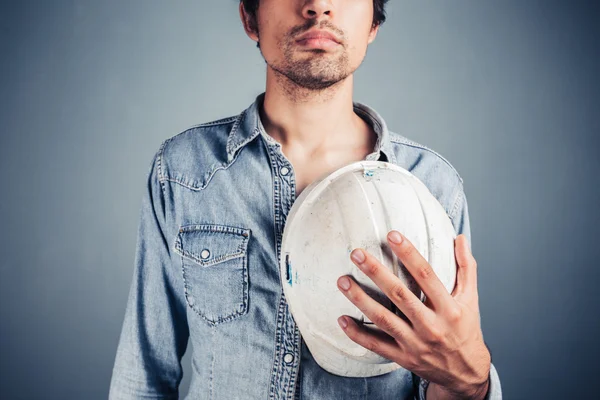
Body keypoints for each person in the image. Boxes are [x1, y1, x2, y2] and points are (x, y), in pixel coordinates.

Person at [108, 1, 502, 399]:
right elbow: (142, 377)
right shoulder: (182, 171)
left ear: (373, 23)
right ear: (250, 18)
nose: (318, 5)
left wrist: (471, 383)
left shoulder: (432, 186)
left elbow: (447, 374)